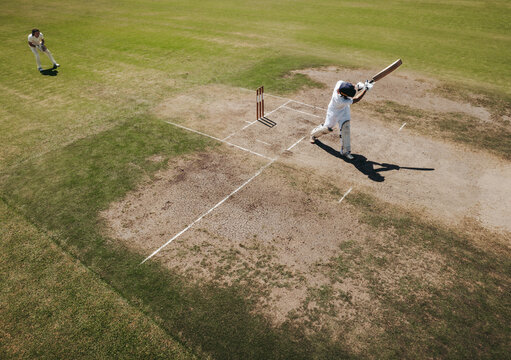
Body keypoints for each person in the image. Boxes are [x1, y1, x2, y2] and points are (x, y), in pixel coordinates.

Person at [310, 80, 373, 160]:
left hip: (344, 110)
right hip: (333, 113)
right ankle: (313, 135)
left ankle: (345, 151)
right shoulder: (340, 100)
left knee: (345, 129)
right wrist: (365, 89)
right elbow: (356, 99)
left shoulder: (340, 84)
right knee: (327, 128)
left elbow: (349, 85)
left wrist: (357, 86)